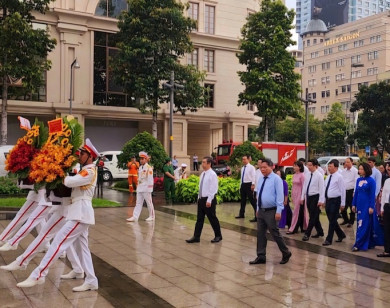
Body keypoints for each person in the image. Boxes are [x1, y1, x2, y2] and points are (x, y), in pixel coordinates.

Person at [17, 138, 100, 291]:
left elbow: (69, 182)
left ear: (90, 156)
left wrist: (58, 170)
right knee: (83, 248)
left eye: (82, 153)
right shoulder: (85, 169)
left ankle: (38, 275)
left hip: (80, 213)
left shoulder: (89, 171)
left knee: (58, 243)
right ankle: (91, 280)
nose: (79, 155)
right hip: (79, 212)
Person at [249, 159, 292, 265]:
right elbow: (259, 194)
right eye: (261, 167)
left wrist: (279, 211)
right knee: (260, 233)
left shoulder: (276, 179)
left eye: (265, 167)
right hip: (262, 211)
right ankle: (261, 255)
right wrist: (258, 209)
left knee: (274, 233)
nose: (262, 169)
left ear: (271, 167)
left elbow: (280, 196)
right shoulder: (261, 178)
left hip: (272, 211)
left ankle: (286, 252)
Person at [186, 156, 222, 243]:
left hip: (209, 200)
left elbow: (213, 188)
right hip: (201, 199)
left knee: (212, 218)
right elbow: (201, 187)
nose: (202, 164)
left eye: (204, 162)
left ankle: (218, 235)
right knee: (199, 219)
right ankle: (196, 236)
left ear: (209, 164)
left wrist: (209, 200)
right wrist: (199, 198)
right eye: (202, 162)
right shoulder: (203, 174)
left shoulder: (212, 174)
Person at [351, 163, 384, 252]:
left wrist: (371, 206)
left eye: (362, 169)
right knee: (359, 224)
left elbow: (372, 194)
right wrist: (353, 204)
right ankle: (369, 242)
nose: (360, 171)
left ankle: (359, 244)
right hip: (359, 205)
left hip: (367, 206)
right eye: (359, 169)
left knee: (363, 225)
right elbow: (356, 193)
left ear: (366, 170)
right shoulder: (358, 180)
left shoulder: (371, 181)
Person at [322, 159, 346, 246]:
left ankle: (329, 239)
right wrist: (323, 201)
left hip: (335, 200)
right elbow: (325, 189)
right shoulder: (328, 177)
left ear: (335, 167)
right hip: (328, 200)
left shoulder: (339, 177)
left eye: (330, 166)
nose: (329, 168)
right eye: (328, 166)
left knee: (332, 220)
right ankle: (341, 234)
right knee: (331, 219)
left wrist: (343, 203)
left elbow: (343, 190)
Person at [126, 151, 155, 222]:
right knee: (138, 203)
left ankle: (152, 216)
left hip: (146, 188)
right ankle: (135, 216)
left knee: (149, 203)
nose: (141, 160)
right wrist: (138, 187)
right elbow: (139, 178)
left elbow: (150, 179)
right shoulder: (140, 167)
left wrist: (149, 189)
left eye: (143, 159)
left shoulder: (149, 168)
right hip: (140, 188)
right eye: (140, 159)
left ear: (146, 159)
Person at [301, 158, 325, 241]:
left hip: (316, 197)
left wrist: (321, 200)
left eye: (310, 165)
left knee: (312, 217)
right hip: (309, 196)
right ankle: (320, 231)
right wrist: (302, 197)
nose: (308, 167)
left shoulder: (319, 175)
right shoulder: (307, 174)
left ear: (315, 166)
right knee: (314, 216)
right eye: (308, 165)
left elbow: (322, 189)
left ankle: (307, 233)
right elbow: (304, 186)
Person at [287, 161, 308, 234]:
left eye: (296, 166)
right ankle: (303, 227)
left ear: (300, 167)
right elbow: (293, 186)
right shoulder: (294, 175)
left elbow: (304, 187)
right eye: (294, 166)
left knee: (296, 212)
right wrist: (292, 196)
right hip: (295, 195)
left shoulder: (302, 175)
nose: (294, 167)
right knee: (299, 211)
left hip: (300, 195)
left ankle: (293, 228)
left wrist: (302, 197)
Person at [236, 155, 257, 222]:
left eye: (245, 159)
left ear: (248, 159)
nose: (243, 161)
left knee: (252, 200)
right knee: (243, 200)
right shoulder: (242, 168)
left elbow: (254, 176)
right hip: (243, 184)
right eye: (243, 159)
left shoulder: (251, 167)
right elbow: (242, 178)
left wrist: (253, 184)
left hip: (249, 184)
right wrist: (240, 186)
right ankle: (241, 214)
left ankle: (256, 215)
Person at [340, 157, 359, 227]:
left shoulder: (355, 171)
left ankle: (351, 222)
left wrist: (354, 192)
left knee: (352, 207)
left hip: (351, 191)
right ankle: (345, 219)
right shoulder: (343, 171)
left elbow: (356, 182)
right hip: (344, 191)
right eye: (345, 162)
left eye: (348, 162)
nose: (346, 163)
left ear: (352, 163)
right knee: (343, 207)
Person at [379, 177, 390, 257]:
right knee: (387, 229)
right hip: (387, 206)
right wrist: (382, 208)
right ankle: (387, 250)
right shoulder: (387, 181)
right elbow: (384, 195)